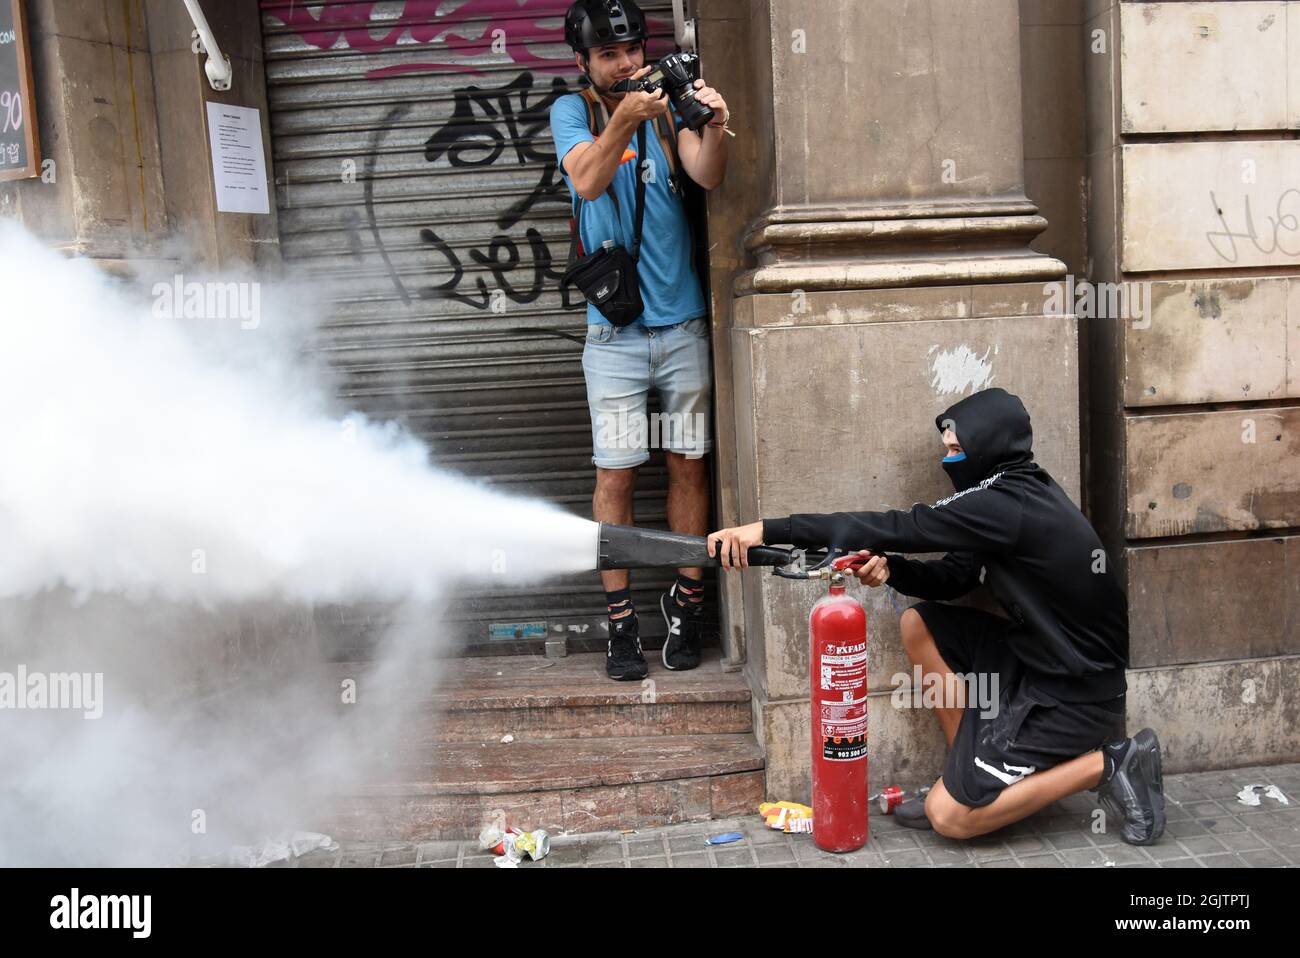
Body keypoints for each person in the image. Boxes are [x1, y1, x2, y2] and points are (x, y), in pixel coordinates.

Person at [706, 387, 1166, 845]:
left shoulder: (1007, 504)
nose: (948, 459)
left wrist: (769, 530)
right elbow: (954, 579)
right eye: (947, 449)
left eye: (956, 449)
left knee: (950, 818)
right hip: (1034, 659)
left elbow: (896, 526)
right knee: (919, 624)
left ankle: (1111, 762)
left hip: (1075, 692)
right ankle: (964, 773)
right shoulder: (1006, 493)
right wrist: (893, 570)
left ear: (989, 445)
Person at [552, 0, 731, 681]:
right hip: (614, 337)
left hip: (683, 327)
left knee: (688, 464)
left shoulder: (667, 102)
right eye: (608, 56)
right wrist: (626, 119)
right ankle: (620, 622)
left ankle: (686, 602)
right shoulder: (575, 113)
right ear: (584, 63)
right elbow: (588, 178)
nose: (626, 64)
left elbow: (708, 173)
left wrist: (710, 123)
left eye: (632, 51)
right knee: (616, 475)